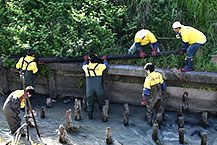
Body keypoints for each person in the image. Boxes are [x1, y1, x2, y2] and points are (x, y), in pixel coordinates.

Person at [82, 53, 108, 119]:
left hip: (89, 89)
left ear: (89, 61)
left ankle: (90, 116)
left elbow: (83, 65)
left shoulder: (86, 67)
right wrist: (104, 60)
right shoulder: (100, 66)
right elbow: (106, 65)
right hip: (98, 89)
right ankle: (104, 114)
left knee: (89, 103)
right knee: (101, 102)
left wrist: (85, 61)